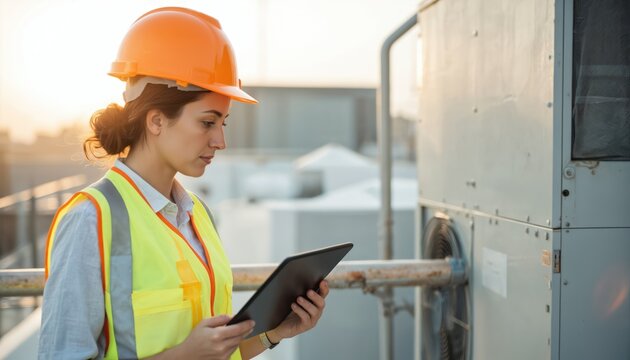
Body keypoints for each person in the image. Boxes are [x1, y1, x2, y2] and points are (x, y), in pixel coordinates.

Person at [38, 7, 328, 360]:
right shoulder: (90, 219)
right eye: (208, 123)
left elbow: (215, 352)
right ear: (156, 120)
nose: (220, 141)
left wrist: (274, 334)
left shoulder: (198, 214)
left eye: (224, 123)